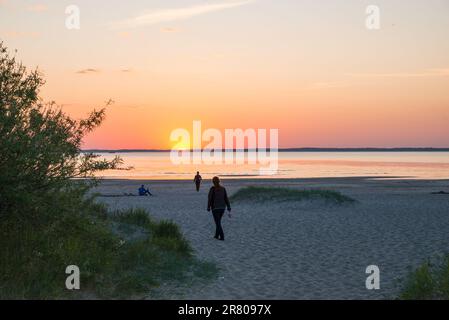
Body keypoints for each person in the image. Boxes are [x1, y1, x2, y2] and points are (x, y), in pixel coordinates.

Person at [207, 176, 231, 241]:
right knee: (218, 222)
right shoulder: (223, 188)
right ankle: (216, 235)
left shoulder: (212, 189)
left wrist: (208, 207)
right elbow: (226, 198)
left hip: (215, 208)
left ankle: (222, 236)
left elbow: (210, 199)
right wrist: (228, 206)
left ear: (213, 182)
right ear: (219, 181)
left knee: (217, 223)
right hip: (222, 207)